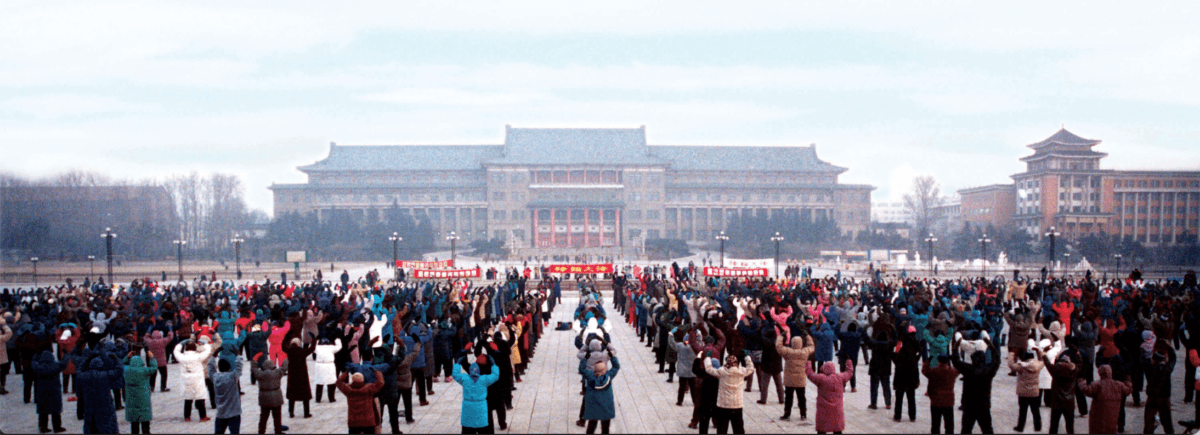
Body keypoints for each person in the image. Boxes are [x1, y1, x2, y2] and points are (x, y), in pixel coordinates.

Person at [951, 337, 1000, 434]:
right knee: (987, 429)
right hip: (984, 404)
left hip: (969, 405)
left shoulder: (968, 369)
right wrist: (991, 346)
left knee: (966, 430)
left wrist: (955, 347)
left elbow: (956, 361)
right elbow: (996, 360)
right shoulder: (988, 370)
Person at [704, 352, 755, 434]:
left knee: (722, 429)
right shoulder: (741, 372)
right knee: (738, 428)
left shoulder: (722, 372)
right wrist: (747, 357)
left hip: (723, 405)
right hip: (737, 405)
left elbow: (708, 369)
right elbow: (751, 368)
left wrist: (707, 358)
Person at [1077, 365, 1132, 434]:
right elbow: (1128, 390)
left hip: (1097, 419)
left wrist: (1081, 380)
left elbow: (1085, 389)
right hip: (1112, 419)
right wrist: (1127, 379)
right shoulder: (1118, 385)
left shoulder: (1097, 385)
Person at [453, 354, 500, 434]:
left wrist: (457, 364)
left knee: (468, 430)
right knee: (484, 430)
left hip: (468, 410)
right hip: (481, 408)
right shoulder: (484, 379)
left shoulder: (465, 379)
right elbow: (495, 375)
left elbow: (455, 375)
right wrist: (494, 365)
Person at [807, 359, 855, 434]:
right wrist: (849, 362)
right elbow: (849, 372)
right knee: (837, 429)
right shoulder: (840, 377)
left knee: (822, 430)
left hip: (823, 412)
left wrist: (808, 363)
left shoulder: (821, 378)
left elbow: (810, 374)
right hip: (837, 411)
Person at [776, 329, 815, 422]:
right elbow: (811, 346)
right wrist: (807, 336)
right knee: (802, 398)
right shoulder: (804, 352)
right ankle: (803, 414)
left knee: (789, 398)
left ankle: (787, 414)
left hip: (789, 380)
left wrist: (781, 336)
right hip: (800, 379)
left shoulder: (788, 352)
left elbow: (778, 346)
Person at [336, 370, 385, 434]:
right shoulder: (369, 389)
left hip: (353, 422)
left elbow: (338, 383)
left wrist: (345, 373)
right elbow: (380, 383)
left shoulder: (348, 390)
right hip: (368, 421)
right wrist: (377, 372)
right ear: (362, 379)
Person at [250, 352, 288, 434]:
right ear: (273, 366)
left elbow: (253, 369)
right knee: (277, 417)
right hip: (276, 397)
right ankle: (278, 431)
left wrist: (255, 359)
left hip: (264, 399)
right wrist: (286, 357)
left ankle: (261, 431)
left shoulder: (260, 374)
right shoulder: (277, 373)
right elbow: (284, 367)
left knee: (263, 417)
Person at [1043, 350, 1079, 434]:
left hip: (1056, 402)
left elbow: (1047, 363)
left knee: (1053, 426)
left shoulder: (1055, 370)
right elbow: (1080, 363)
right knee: (1070, 427)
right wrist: (1077, 354)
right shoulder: (1074, 371)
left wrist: (1044, 355)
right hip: (1069, 403)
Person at [31, 350, 67, 434]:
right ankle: (57, 427)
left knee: (43, 411)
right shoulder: (56, 366)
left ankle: (43, 427)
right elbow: (64, 363)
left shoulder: (39, 367)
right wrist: (66, 354)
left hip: (42, 392)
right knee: (56, 411)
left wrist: (36, 355)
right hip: (54, 392)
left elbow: (33, 363)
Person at [581, 356, 620, 434]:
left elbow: (582, 369)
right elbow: (616, 366)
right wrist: (612, 357)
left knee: (591, 427)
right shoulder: (609, 376)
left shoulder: (590, 377)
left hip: (593, 408)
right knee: (605, 428)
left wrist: (585, 358)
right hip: (606, 407)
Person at [175, 339, 212, 422]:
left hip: (186, 378)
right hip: (197, 378)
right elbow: (208, 351)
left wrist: (180, 343)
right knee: (199, 397)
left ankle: (187, 416)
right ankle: (202, 416)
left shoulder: (182, 357)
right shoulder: (198, 356)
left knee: (188, 397)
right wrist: (205, 343)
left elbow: (176, 351)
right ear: (195, 349)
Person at [1010, 347, 1045, 432]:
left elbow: (1011, 365)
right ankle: (1038, 426)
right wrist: (1038, 351)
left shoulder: (1021, 367)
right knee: (1036, 411)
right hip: (1034, 392)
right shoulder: (1038, 365)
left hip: (1023, 393)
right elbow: (1043, 359)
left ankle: (1020, 427)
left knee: (1022, 411)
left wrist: (1012, 354)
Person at [922, 354, 960, 434]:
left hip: (935, 400)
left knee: (935, 423)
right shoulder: (952, 371)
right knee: (949, 423)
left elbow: (924, 370)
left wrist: (928, 361)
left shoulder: (933, 370)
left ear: (938, 361)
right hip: (948, 400)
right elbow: (959, 369)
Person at [1142, 348, 1176, 434]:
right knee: (1167, 422)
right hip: (1164, 398)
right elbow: (1173, 359)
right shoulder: (1167, 369)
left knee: (1149, 421)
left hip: (1152, 397)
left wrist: (1143, 350)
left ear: (1153, 359)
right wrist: (1170, 348)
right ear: (1163, 360)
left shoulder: (1149, 368)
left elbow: (1143, 360)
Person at [123, 351, 157, 434]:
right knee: (145, 421)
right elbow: (154, 367)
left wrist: (127, 357)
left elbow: (121, 364)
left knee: (134, 424)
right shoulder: (144, 370)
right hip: (143, 400)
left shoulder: (126, 370)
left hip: (131, 401)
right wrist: (152, 358)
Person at [209, 357, 244, 434]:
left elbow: (211, 369)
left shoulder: (215, 378)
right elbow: (239, 368)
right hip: (234, 412)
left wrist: (213, 357)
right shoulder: (232, 377)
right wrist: (238, 356)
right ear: (229, 368)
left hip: (221, 413)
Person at [283, 337, 316, 419]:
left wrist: (286, 338)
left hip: (292, 376)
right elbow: (312, 348)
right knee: (305, 395)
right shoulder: (303, 351)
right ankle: (306, 413)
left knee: (291, 395)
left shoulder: (289, 351)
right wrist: (313, 339)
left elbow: (283, 347)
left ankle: (291, 412)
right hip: (302, 375)